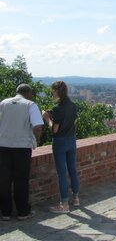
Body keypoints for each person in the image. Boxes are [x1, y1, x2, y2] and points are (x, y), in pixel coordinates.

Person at [0, 84, 43, 221]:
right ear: (28, 93)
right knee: (21, 179)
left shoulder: (3, 103)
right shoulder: (30, 105)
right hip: (22, 146)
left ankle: (5, 212)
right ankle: (23, 211)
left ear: (16, 92)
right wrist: (37, 141)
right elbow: (37, 127)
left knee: (4, 179)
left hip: (3, 145)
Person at [42, 81, 80, 213]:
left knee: (62, 173)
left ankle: (64, 204)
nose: (51, 93)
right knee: (72, 169)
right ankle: (76, 198)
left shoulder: (57, 108)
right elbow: (73, 122)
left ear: (56, 91)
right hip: (71, 140)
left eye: (52, 91)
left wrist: (47, 118)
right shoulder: (73, 106)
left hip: (60, 142)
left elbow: (55, 129)